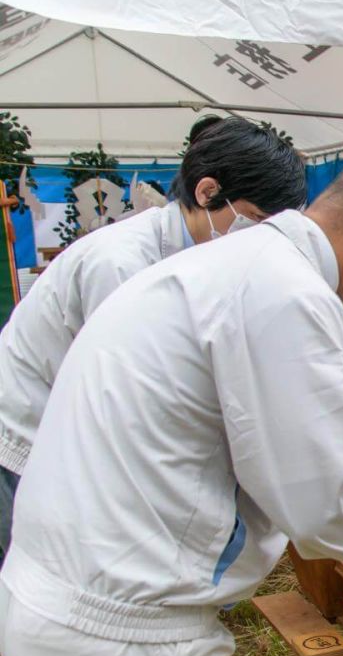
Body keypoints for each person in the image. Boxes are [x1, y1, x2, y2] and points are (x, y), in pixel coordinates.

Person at [0, 150, 343, 656]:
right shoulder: (288, 293)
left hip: (68, 604)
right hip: (130, 642)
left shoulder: (227, 266)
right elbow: (319, 502)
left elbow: (250, 447)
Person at [0, 117, 307, 560]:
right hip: (26, 439)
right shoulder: (122, 264)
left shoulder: (197, 255)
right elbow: (132, 397)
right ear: (207, 193)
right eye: (257, 220)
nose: (260, 238)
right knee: (33, 578)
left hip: (75, 442)